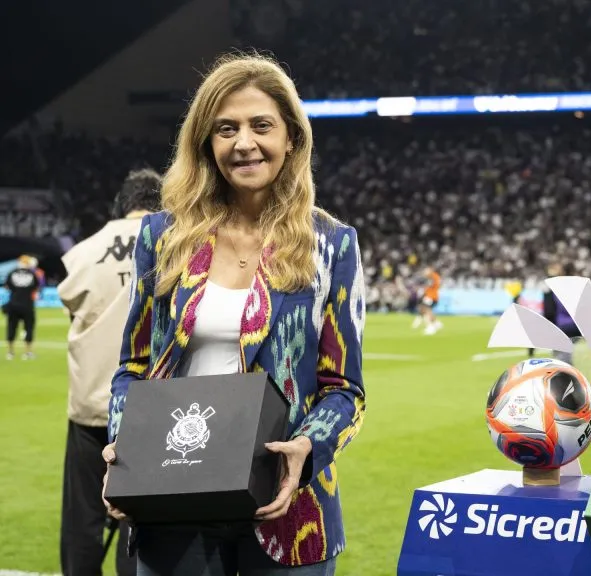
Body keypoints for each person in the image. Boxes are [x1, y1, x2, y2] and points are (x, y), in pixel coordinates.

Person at [101, 52, 367, 576]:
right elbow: (132, 369)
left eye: (260, 125)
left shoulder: (332, 246)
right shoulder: (163, 237)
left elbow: (346, 390)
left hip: (288, 509)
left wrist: (306, 449)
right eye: (226, 129)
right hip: (171, 501)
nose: (244, 142)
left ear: (291, 136)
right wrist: (121, 444)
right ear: (206, 144)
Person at [58, 167, 161, 576]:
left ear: (121, 202)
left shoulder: (83, 252)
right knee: (140, 519)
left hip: (91, 406)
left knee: (82, 520)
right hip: (149, 408)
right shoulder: (173, 244)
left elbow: (70, 302)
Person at [3, 254, 40, 360]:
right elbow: (36, 287)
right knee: (28, 328)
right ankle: (27, 353)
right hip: (27, 305)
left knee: (11, 328)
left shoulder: (12, 273)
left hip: (13, 304)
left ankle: (10, 352)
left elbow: (7, 287)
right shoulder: (32, 274)